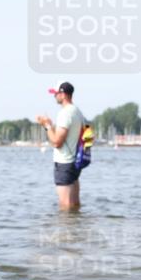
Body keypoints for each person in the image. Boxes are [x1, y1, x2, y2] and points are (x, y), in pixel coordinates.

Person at [36, 81, 85, 211]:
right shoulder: (77, 112)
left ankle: (66, 230)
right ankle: (77, 229)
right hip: (75, 162)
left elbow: (57, 142)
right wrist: (51, 125)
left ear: (63, 94)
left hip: (65, 163)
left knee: (65, 205)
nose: (54, 96)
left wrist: (46, 126)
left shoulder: (65, 113)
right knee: (75, 204)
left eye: (56, 93)